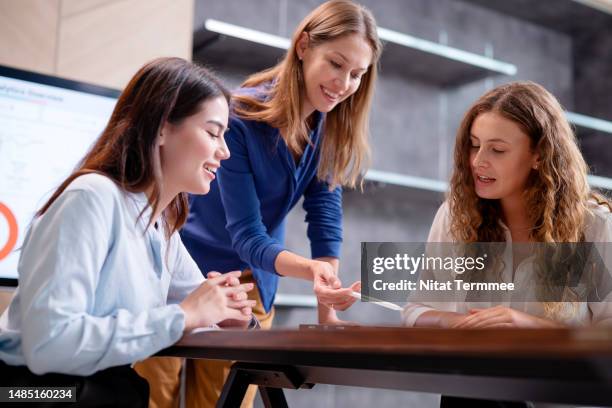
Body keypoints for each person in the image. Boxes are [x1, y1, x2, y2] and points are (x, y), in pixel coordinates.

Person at [134, 1, 383, 407]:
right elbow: (246, 233)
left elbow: (325, 222)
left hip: (249, 282)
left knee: (226, 400)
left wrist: (328, 307)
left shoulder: (329, 129)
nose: (344, 83)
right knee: (152, 395)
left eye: (357, 74)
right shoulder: (241, 116)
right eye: (336, 64)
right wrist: (311, 270)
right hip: (180, 271)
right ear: (304, 46)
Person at [0, 57, 255, 407]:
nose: (224, 151)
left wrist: (228, 314)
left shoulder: (161, 225)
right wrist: (187, 315)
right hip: (28, 392)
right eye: (213, 133)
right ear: (161, 128)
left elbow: (197, 309)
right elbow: (50, 346)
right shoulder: (91, 198)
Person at [403, 81, 612, 330]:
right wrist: (462, 323)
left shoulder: (595, 225)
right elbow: (416, 309)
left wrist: (531, 327)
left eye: (498, 150)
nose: (478, 161)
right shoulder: (454, 215)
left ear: (539, 155)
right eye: (475, 145)